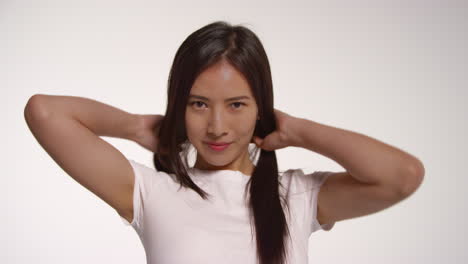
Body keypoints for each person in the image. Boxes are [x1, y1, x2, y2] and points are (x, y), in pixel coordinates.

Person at [24, 21, 425, 264]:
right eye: (198, 104)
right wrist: (134, 127)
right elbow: (45, 113)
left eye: (236, 105)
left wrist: (298, 130)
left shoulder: (296, 198)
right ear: (179, 105)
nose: (216, 126)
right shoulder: (150, 192)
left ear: (260, 108)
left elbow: (402, 176)